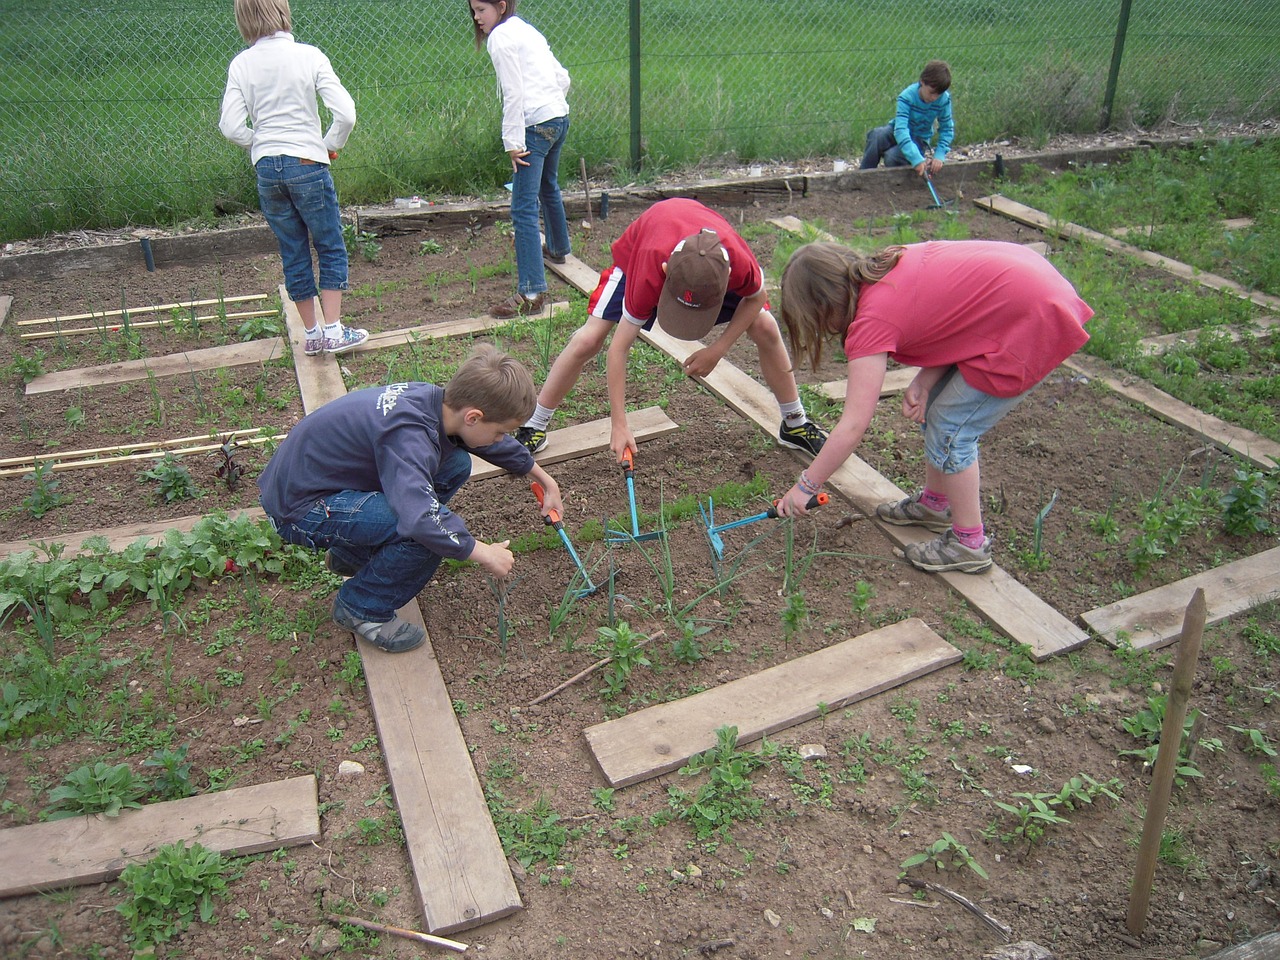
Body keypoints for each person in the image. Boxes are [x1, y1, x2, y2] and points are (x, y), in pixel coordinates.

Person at [774, 240, 1093, 574]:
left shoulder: (872, 320)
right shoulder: (889, 267)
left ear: (824, 306)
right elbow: (957, 316)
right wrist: (927, 379)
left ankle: (969, 544)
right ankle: (935, 505)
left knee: (953, 428)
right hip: (1024, 290)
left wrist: (806, 486)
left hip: (1032, 317)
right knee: (939, 408)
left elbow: (854, 424)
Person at [258, 343, 565, 652]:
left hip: (315, 482)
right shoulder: (409, 437)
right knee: (426, 536)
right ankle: (361, 606)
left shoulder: (435, 403)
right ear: (473, 417)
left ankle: (353, 556)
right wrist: (483, 552)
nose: (500, 438)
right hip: (300, 509)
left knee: (455, 464)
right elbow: (421, 520)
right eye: (500, 432)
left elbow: (487, 443)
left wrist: (545, 480)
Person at [514, 197, 828, 460]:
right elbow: (618, 349)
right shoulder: (648, 271)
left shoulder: (737, 261)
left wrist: (718, 350)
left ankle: (795, 423)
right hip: (638, 257)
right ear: (665, 275)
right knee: (589, 339)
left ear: (726, 282)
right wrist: (619, 423)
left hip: (703, 264)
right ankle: (535, 425)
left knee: (766, 327)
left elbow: (756, 297)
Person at [219, 0, 369, 356]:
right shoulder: (309, 56)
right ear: (283, 11)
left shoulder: (241, 64)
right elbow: (346, 114)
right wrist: (328, 145)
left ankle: (313, 334)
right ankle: (334, 330)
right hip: (307, 162)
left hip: (267, 168)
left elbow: (230, 126)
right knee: (329, 243)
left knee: (293, 249)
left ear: (243, 20)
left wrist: (260, 142)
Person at [470, 0, 571, 320]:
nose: (477, 17)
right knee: (548, 185)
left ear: (501, 6)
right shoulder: (525, 29)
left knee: (523, 208)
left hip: (534, 127)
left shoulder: (500, 38)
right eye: (473, 11)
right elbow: (562, 77)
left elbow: (513, 93)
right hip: (558, 118)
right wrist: (552, 106)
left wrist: (513, 142)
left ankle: (532, 292)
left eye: (482, 10)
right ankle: (558, 247)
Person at [860, 60, 954, 177]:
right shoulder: (907, 97)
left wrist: (939, 154)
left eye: (938, 95)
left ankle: (896, 181)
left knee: (891, 157)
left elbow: (947, 129)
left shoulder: (944, 100)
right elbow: (900, 130)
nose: (934, 98)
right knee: (876, 136)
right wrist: (915, 158)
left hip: (919, 139)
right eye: (931, 93)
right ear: (922, 81)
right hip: (898, 131)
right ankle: (864, 176)